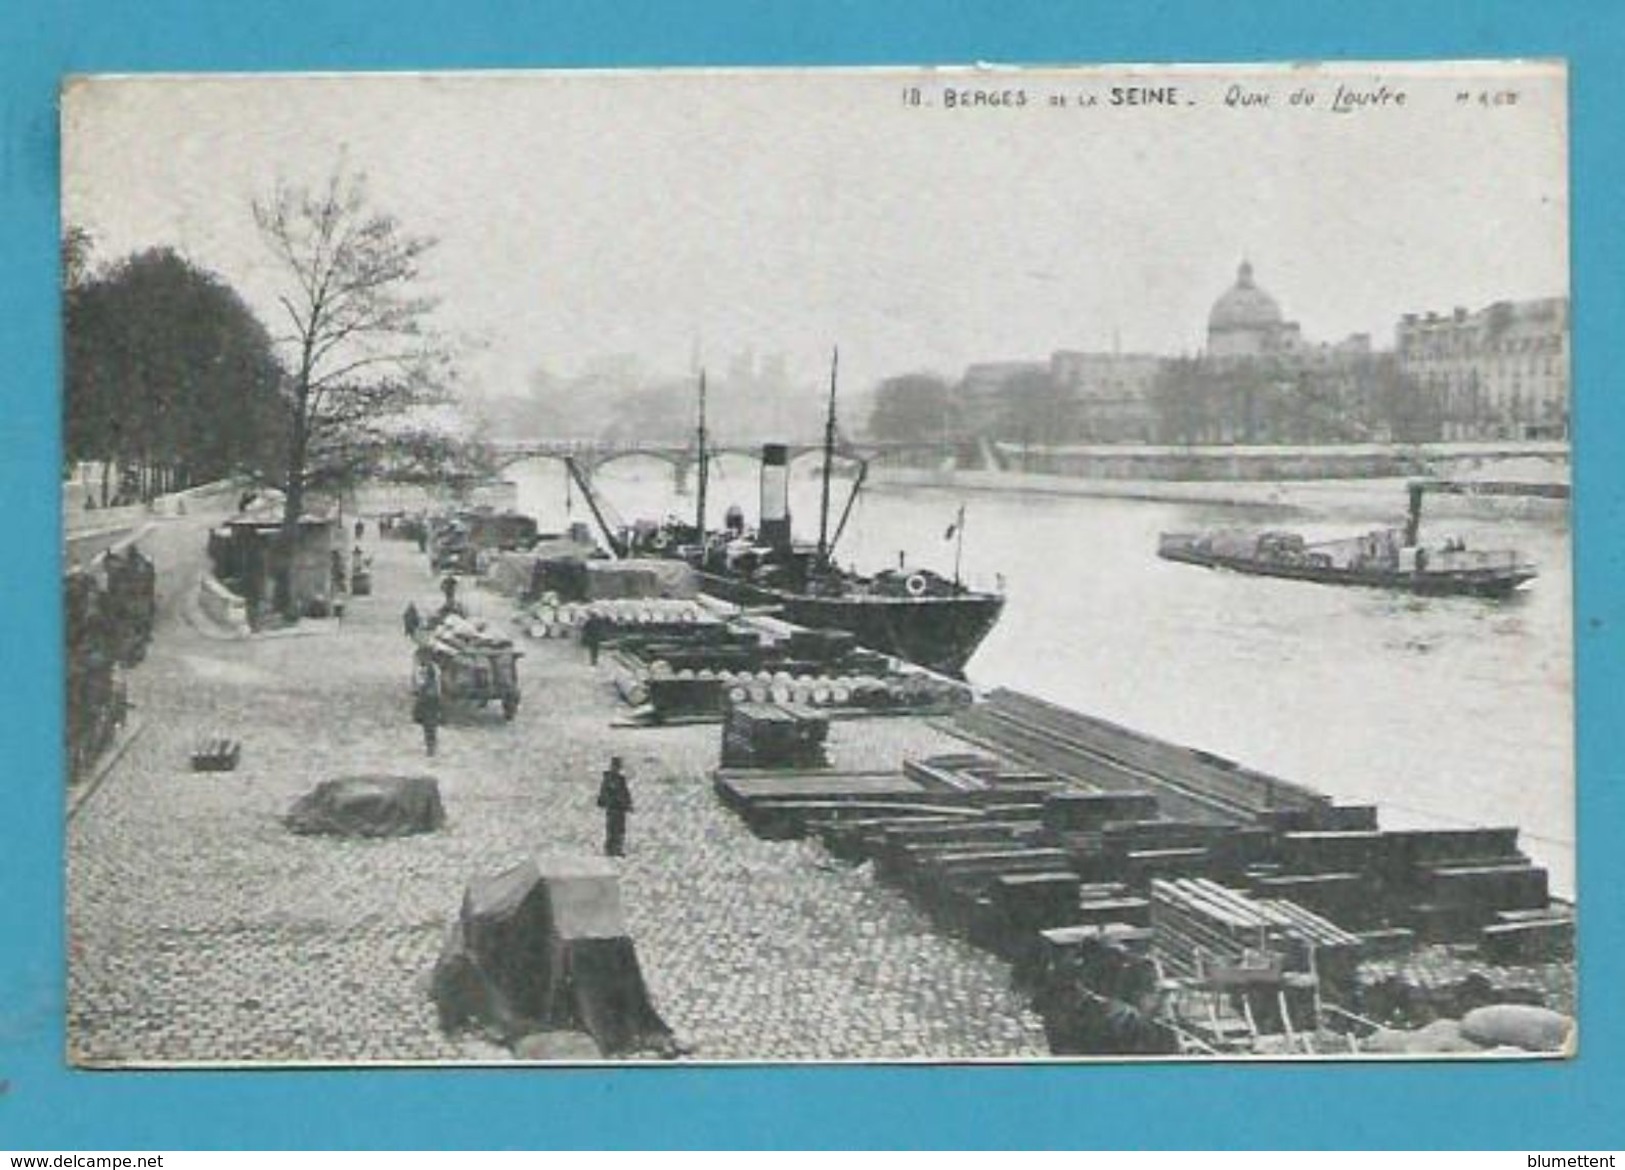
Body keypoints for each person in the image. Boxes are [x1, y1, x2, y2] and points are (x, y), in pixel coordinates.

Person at [596, 756, 633, 857]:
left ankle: (617, 848)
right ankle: (610, 849)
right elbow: (604, 793)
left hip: (620, 809)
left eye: (618, 766)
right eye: (615, 766)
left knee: (620, 830)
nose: (616, 768)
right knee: (612, 829)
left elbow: (625, 793)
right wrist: (604, 801)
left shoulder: (620, 779)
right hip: (612, 808)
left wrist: (628, 804)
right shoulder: (608, 779)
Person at [412, 649, 442, 757]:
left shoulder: (423, 669)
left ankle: (431, 746)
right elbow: (438, 685)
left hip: (427, 698)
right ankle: (431, 745)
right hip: (433, 697)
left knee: (427, 723)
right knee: (430, 723)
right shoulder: (435, 668)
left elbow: (420, 684)